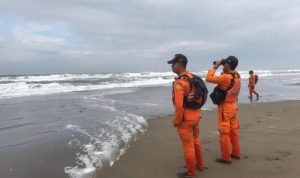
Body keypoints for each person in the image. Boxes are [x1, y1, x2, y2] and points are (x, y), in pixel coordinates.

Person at [168, 54, 204, 178]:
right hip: (196, 115)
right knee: (195, 140)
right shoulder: (192, 77)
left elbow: (179, 106)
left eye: (173, 63)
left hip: (186, 119)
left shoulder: (180, 82)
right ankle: (199, 165)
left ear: (179, 63)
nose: (172, 66)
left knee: (188, 146)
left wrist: (176, 121)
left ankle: (191, 172)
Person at [205, 56, 241, 164]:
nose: (223, 65)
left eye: (225, 63)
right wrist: (222, 65)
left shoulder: (226, 77)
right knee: (234, 131)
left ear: (228, 65)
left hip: (225, 107)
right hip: (234, 106)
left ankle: (226, 157)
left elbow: (208, 78)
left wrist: (215, 67)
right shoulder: (237, 75)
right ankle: (236, 153)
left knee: (224, 133)